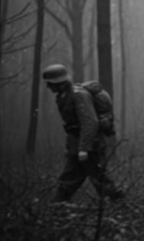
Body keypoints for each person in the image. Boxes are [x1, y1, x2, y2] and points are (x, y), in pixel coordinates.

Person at [42, 64, 124, 203]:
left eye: (50, 83)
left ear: (59, 83)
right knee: (75, 175)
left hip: (91, 143)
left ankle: (116, 202)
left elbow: (90, 122)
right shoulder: (65, 95)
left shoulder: (78, 95)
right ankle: (58, 203)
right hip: (79, 142)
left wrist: (84, 148)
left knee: (96, 175)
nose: (48, 87)